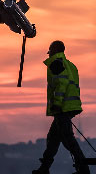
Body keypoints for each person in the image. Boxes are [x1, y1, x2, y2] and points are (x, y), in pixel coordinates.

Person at [33, 40, 89, 174]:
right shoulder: (70, 65)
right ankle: (44, 168)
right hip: (70, 106)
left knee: (67, 139)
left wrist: (57, 104)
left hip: (63, 108)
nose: (48, 54)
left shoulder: (56, 63)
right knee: (53, 138)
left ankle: (83, 169)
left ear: (55, 50)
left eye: (50, 51)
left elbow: (61, 84)